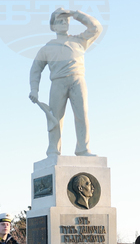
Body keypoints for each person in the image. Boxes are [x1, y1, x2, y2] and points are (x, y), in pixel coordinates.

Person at [29, 8, 103, 157]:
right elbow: (35, 69)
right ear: (53, 26)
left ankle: (83, 148)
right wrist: (34, 89)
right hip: (58, 83)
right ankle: (53, 149)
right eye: (60, 21)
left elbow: (96, 27)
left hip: (78, 80)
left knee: (82, 115)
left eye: (66, 20)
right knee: (55, 118)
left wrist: (75, 14)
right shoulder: (47, 48)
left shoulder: (80, 41)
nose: (64, 23)